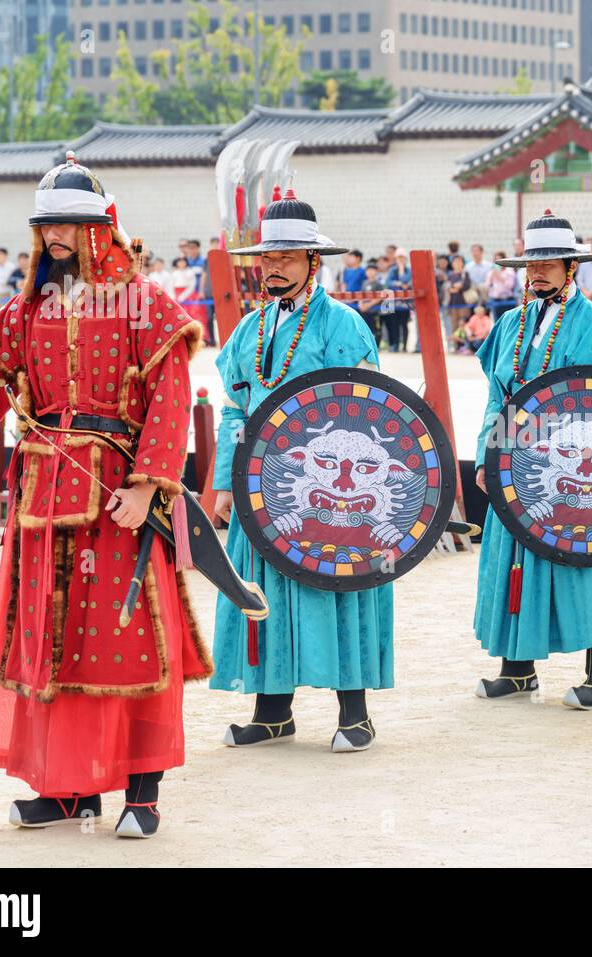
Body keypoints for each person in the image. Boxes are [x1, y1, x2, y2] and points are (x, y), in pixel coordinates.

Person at [0, 154, 208, 837]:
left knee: (128, 643)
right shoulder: (22, 313)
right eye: (47, 228)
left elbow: (172, 394)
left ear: (101, 230)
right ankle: (68, 790)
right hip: (41, 499)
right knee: (52, 644)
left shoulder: (145, 302)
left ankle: (142, 790)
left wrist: (147, 483)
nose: (55, 239)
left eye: (68, 226)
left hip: (117, 498)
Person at [210, 192, 388, 751]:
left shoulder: (344, 325)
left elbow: (366, 408)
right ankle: (272, 711)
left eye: (287, 258)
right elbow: (235, 408)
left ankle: (354, 713)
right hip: (261, 483)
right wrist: (222, 480)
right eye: (268, 258)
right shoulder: (250, 328)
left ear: (315, 262)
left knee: (337, 586)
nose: (274, 268)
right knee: (265, 593)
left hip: (333, 486)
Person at [471, 211, 592, 707]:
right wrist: (485, 454)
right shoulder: (510, 322)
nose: (536, 272)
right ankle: (517, 668)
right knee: (513, 559)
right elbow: (497, 396)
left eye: (547, 263)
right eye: (529, 264)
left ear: (570, 266)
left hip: (573, 463)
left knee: (587, 560)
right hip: (514, 461)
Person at [384, 249, 413, 352]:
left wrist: (401, 272)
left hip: (405, 303)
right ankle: (395, 345)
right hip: (393, 302)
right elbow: (388, 282)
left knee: (404, 325)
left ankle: (404, 346)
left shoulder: (408, 270)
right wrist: (399, 283)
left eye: (402, 258)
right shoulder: (392, 270)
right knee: (394, 325)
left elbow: (408, 281)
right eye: (399, 258)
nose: (400, 260)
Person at [485, 252, 517, 320]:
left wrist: (499, 277)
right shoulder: (491, 272)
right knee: (498, 321)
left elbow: (510, 286)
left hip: (508, 300)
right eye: (496, 259)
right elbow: (487, 286)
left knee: (509, 320)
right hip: (496, 300)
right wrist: (492, 276)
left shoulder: (510, 271)